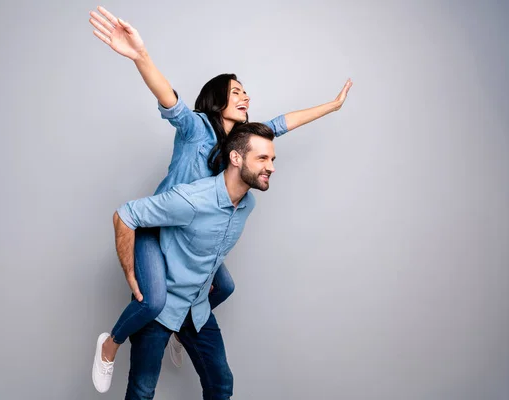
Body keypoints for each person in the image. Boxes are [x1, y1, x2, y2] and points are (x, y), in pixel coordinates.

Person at [88, 5, 353, 392]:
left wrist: (332, 106)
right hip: (158, 227)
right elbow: (169, 99)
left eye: (246, 92)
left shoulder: (238, 144)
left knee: (222, 287)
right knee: (153, 300)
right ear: (217, 101)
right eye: (236, 92)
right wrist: (140, 56)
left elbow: (281, 124)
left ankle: (181, 329)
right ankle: (110, 345)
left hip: (186, 232)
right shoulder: (196, 127)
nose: (245, 97)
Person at [96, 123, 277, 399]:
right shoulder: (192, 200)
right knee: (142, 392)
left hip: (198, 310)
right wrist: (131, 274)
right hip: (162, 310)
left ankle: (181, 335)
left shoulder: (247, 205)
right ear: (236, 158)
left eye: (272, 159)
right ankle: (110, 343)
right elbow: (126, 215)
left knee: (221, 385)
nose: (271, 167)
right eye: (262, 158)